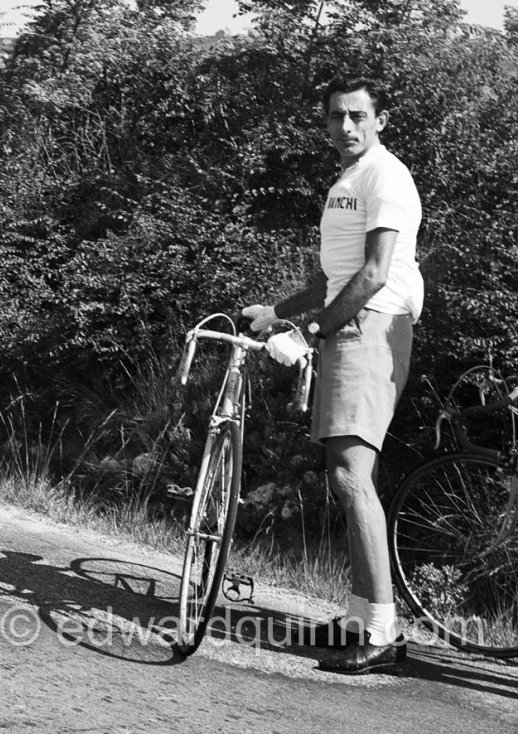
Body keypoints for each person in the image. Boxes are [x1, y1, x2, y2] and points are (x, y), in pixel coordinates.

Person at [242, 76, 423, 674]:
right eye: (335, 118)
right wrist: (278, 313)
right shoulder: (347, 180)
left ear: (381, 118)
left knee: (351, 476)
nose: (345, 127)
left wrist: (312, 332)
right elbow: (331, 277)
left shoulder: (385, 176)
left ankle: (383, 630)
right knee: (344, 474)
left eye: (357, 116)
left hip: (370, 330)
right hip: (350, 327)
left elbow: (373, 274)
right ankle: (355, 617)